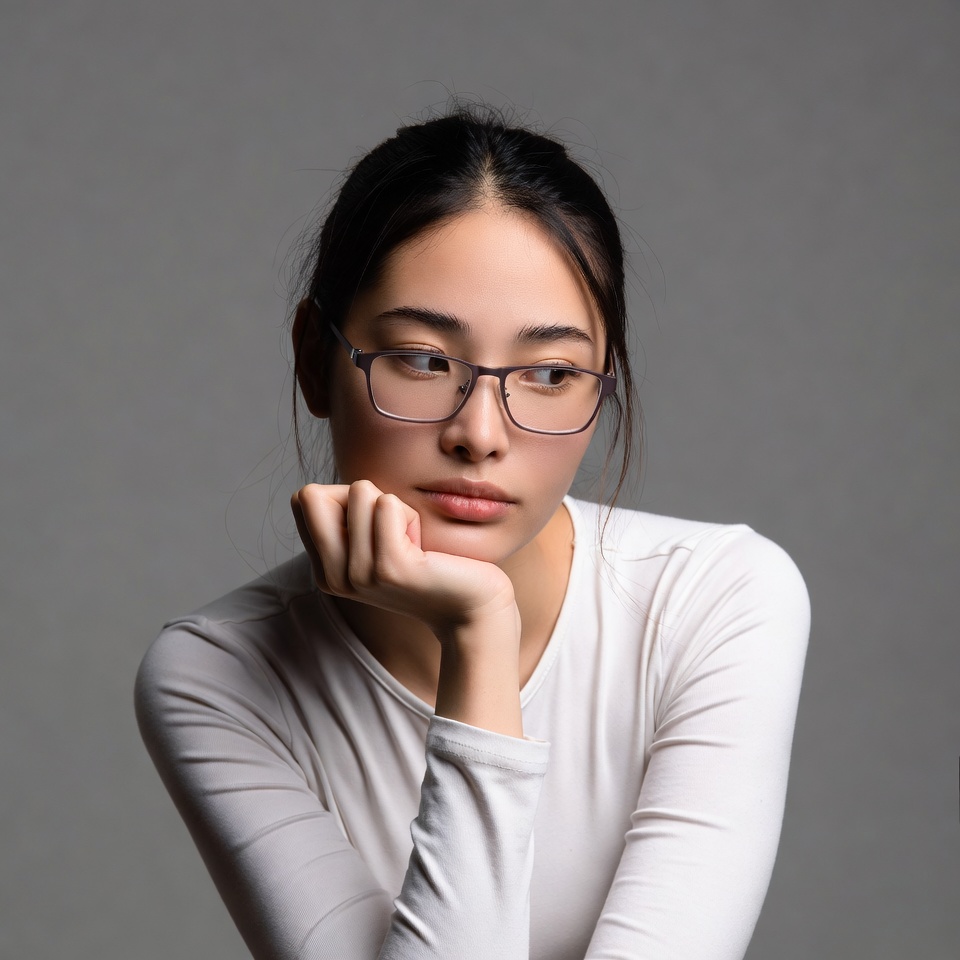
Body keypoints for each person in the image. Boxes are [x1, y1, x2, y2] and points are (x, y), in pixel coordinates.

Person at [135, 103, 810, 960]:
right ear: (314, 358)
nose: (480, 434)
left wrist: (474, 631)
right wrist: (481, 638)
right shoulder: (216, 677)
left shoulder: (715, 600)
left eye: (551, 373)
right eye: (423, 360)